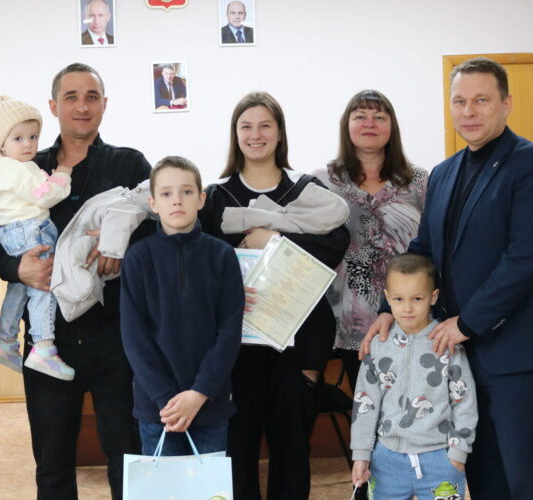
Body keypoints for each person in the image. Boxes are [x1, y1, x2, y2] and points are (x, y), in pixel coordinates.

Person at [363, 57, 533, 499]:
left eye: (481, 100)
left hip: (522, 355)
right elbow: (423, 250)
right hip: (462, 357)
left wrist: (468, 322)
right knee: (485, 478)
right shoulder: (443, 174)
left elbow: (528, 259)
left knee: (529, 480)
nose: (469, 111)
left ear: (506, 103)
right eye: (459, 101)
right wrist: (388, 309)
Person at [0, 62, 150, 500]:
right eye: (71, 97)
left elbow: (156, 236)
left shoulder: (130, 164)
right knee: (53, 460)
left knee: (127, 452)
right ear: (54, 106)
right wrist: (18, 268)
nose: (82, 106)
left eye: (91, 97)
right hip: (48, 340)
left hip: (116, 336)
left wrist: (121, 248)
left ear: (104, 104)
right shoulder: (25, 163)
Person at [198, 91, 350, 500]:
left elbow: (334, 245)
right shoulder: (216, 197)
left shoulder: (307, 191)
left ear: (280, 133)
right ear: (235, 134)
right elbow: (203, 260)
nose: (256, 134)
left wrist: (274, 239)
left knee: (292, 449)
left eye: (265, 125)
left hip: (298, 340)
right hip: (237, 342)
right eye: (246, 126)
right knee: (238, 447)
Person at [120, 156, 244, 456]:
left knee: (209, 483)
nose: (177, 200)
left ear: (201, 199)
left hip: (210, 403)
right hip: (158, 409)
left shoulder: (223, 256)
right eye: (166, 193)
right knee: (163, 482)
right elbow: (134, 338)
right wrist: (167, 399)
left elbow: (229, 332)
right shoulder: (137, 258)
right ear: (153, 203)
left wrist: (199, 393)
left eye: (186, 192)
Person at [314, 90, 427, 390]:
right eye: (360, 116)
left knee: (411, 401)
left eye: (379, 117)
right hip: (348, 319)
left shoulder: (419, 181)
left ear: (392, 127)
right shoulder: (323, 181)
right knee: (365, 404)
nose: (370, 123)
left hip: (408, 314)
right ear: (347, 125)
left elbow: (433, 242)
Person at [351, 253, 477, 500]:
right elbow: (365, 403)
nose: (407, 308)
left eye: (417, 299)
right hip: (386, 462)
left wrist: (458, 454)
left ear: (433, 297)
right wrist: (361, 454)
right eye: (398, 299)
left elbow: (465, 401)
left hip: (441, 461)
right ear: (387, 297)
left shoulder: (447, 343)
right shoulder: (378, 346)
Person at [0, 95, 74, 379]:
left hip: (11, 231)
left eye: (33, 137)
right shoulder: (19, 169)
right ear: (1, 144)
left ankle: (6, 340)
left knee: (20, 286)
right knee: (44, 285)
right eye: (18, 138)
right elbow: (47, 195)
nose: (28, 144)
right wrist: (62, 174)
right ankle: (44, 347)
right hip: (32, 229)